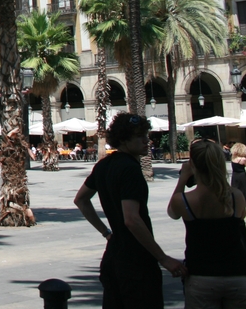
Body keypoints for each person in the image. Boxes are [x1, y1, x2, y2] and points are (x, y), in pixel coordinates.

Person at [74, 113, 185, 308]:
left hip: (113, 255)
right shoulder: (130, 170)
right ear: (124, 140)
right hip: (136, 261)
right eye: (139, 136)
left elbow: (81, 200)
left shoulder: (103, 165)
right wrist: (163, 258)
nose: (146, 141)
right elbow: (131, 219)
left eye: (146, 135)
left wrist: (107, 233)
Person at [167, 139, 246, 308]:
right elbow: (241, 218)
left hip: (201, 275)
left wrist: (183, 178)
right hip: (238, 274)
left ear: (194, 166)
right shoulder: (236, 196)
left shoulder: (185, 200)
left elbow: (172, 212)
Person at [230, 142, 246, 215]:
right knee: (244, 191)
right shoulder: (243, 159)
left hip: (234, 175)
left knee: (235, 189)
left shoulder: (233, 158)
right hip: (242, 175)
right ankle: (244, 209)